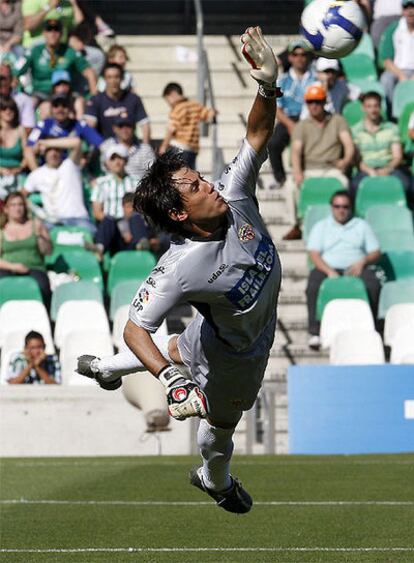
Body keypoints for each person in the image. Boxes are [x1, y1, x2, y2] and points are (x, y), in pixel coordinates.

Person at [77, 27, 282, 514]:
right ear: (178, 213)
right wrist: (172, 380)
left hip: (230, 328)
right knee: (219, 430)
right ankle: (215, 478)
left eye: (201, 177)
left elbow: (255, 132)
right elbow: (134, 327)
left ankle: (105, 369)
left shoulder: (234, 193)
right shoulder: (179, 268)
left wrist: (268, 86)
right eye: (194, 186)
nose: (209, 183)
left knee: (178, 345)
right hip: (237, 351)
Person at [306, 190, 381, 350]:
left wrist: (363, 261)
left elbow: (375, 251)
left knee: (373, 285)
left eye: (345, 206)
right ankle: (315, 332)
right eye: (337, 206)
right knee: (313, 286)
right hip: (328, 268)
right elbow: (314, 254)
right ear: (332, 207)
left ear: (350, 208)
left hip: (356, 268)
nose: (341, 210)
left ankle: (374, 328)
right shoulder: (321, 226)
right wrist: (329, 271)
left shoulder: (362, 225)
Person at [284, 83, 355, 240]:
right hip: (309, 169)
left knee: (344, 182)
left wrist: (345, 161)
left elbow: (348, 144)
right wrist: (297, 172)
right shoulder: (301, 126)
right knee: (290, 186)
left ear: (324, 102)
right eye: (310, 102)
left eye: (318, 101)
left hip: (332, 169)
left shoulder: (338, 121)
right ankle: (295, 225)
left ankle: (344, 221)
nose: (314, 105)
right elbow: (296, 151)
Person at [267, 39, 315, 189]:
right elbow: (276, 108)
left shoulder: (317, 78)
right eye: (295, 54)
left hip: (312, 119)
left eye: (303, 54)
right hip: (289, 118)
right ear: (290, 57)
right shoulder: (282, 80)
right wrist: (290, 125)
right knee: (273, 144)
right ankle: (279, 178)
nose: (300, 58)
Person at [22, 136, 94, 233]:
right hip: (52, 222)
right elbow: (21, 195)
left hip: (78, 218)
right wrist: (38, 212)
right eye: (49, 151)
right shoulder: (36, 174)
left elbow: (77, 142)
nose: (53, 154)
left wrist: (46, 143)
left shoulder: (70, 165)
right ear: (44, 154)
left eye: (57, 150)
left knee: (91, 236)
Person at [15, 18, 97, 102]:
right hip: (40, 94)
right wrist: (20, 90)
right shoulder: (34, 51)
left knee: (79, 102)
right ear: (44, 33)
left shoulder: (70, 52)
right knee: (32, 103)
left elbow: (89, 72)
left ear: (61, 33)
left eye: (56, 30)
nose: (53, 33)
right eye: (49, 29)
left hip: (66, 95)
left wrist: (95, 98)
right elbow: (15, 72)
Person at [351, 91, 412, 203]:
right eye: (369, 106)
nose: (373, 110)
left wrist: (387, 169)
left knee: (407, 185)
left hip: (389, 167)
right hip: (366, 169)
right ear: (363, 108)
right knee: (354, 187)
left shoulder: (392, 128)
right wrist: (370, 171)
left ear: (380, 107)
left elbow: (397, 156)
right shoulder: (355, 131)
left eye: (376, 106)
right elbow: (356, 159)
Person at [0, 191, 52, 308]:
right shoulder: (2, 229)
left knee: (42, 285)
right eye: (13, 205)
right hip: (8, 268)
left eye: (20, 205)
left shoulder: (36, 225)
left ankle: (44, 317)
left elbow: (48, 251)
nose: (17, 208)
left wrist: (40, 237)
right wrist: (13, 267)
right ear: (6, 209)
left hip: (34, 268)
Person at [25, 92, 102, 170]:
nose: (60, 109)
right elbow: (29, 149)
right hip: (48, 169)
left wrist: (45, 143)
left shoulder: (79, 125)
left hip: (71, 169)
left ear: (70, 108)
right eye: (56, 106)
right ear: (51, 109)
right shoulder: (43, 125)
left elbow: (99, 143)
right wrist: (37, 173)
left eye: (64, 105)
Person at [84, 63, 150, 141]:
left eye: (116, 77)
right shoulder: (96, 100)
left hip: (131, 146)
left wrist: (145, 147)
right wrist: (101, 145)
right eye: (109, 77)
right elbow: (90, 127)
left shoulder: (133, 99)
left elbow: (145, 125)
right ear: (104, 79)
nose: (113, 81)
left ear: (122, 78)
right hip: (105, 146)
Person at [159, 82, 216, 170]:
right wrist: (212, 112)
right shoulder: (194, 105)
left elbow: (171, 129)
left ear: (173, 94)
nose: (169, 104)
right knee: (190, 174)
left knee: (179, 174)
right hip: (192, 149)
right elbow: (207, 114)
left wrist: (163, 146)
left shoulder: (177, 109)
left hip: (178, 147)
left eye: (168, 100)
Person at [378, 0, 414, 112]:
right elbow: (386, 60)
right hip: (397, 70)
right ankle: (389, 115)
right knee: (386, 79)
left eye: (413, 7)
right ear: (402, 11)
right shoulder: (393, 29)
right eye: (406, 7)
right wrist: (401, 75)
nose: (410, 11)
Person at [0, 97, 27, 200]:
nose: (8, 111)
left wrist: (18, 168)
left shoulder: (21, 130)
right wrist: (2, 170)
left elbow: (26, 154)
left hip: (18, 173)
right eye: (4, 109)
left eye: (11, 109)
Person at [0, 62, 36, 132]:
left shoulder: (25, 99)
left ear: (11, 79)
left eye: (4, 78)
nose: (2, 82)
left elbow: (28, 127)